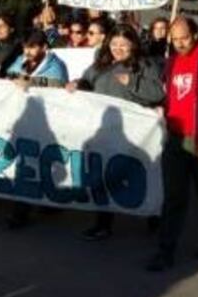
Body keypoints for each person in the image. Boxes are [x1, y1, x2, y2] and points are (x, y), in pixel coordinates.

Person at [69, 26, 166, 241]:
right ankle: (103, 224)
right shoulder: (101, 63)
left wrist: (132, 81)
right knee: (104, 174)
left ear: (133, 45)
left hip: (137, 133)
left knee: (141, 174)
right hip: (107, 131)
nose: (118, 49)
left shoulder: (145, 64)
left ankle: (154, 217)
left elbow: (158, 93)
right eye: (114, 44)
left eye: (123, 45)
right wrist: (78, 84)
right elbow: (88, 81)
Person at [147, 17, 198, 271]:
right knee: (173, 196)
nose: (180, 43)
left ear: (194, 34)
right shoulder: (170, 63)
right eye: (176, 38)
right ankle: (165, 250)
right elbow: (165, 94)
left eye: (184, 37)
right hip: (176, 137)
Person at [5, 30, 70, 229]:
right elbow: (8, 75)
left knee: (44, 165)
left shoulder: (56, 65)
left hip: (48, 122)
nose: (28, 51)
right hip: (25, 120)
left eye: (33, 47)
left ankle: (48, 201)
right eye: (26, 46)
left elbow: (57, 85)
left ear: (44, 47)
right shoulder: (21, 60)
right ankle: (21, 212)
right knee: (27, 165)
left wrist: (29, 82)